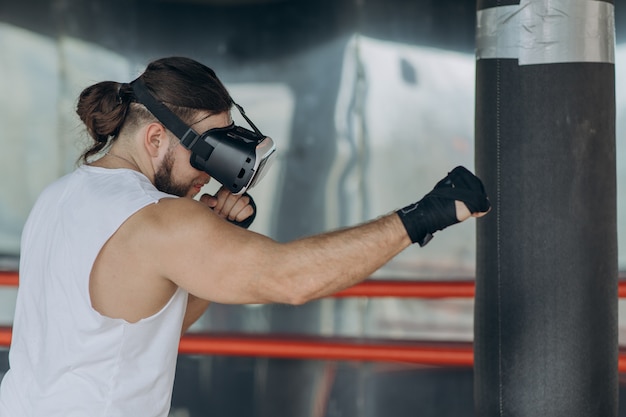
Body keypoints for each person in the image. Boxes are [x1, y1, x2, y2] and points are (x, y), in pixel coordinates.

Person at [0, 56, 490, 417]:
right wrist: (422, 216)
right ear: (155, 140)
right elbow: (290, 279)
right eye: (207, 153)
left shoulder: (61, 195)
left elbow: (146, 320)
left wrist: (219, 234)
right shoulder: (157, 219)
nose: (212, 177)